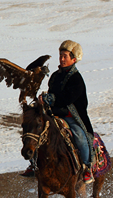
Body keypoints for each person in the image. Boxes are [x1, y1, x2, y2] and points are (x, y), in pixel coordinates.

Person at [37, 40, 96, 184]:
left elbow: (66, 99)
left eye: (65, 56)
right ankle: (34, 165)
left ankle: (87, 167)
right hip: (54, 114)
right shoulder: (55, 76)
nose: (62, 59)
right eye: (61, 56)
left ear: (74, 59)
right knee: (36, 133)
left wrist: (48, 99)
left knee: (80, 137)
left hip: (71, 117)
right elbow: (52, 95)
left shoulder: (77, 79)